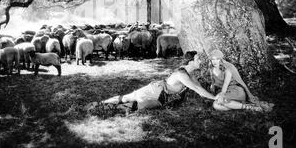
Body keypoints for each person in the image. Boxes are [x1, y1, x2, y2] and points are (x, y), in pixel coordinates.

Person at [88, 51, 216, 113]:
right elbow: (198, 89)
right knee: (128, 99)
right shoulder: (181, 74)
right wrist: (215, 99)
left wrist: (215, 97)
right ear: (190, 61)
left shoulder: (190, 75)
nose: (201, 61)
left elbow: (200, 89)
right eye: (198, 59)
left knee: (135, 106)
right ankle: (100, 104)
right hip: (155, 90)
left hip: (160, 96)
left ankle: (103, 107)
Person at [208, 49, 274, 112]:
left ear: (221, 59)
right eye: (213, 59)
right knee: (215, 105)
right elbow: (213, 82)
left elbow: (225, 84)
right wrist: (212, 89)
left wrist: (221, 95)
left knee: (219, 101)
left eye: (217, 59)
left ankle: (249, 107)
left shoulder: (227, 68)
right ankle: (237, 105)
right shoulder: (211, 69)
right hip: (226, 92)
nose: (215, 61)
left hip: (236, 91)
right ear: (210, 60)